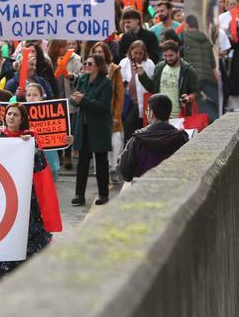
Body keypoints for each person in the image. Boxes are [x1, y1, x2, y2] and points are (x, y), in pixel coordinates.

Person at [0, 103, 52, 285]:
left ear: (22, 119)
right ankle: (0, 270)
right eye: (9, 114)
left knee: (26, 231)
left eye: (15, 115)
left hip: (26, 194)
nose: (11, 117)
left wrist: (32, 149)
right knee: (1, 229)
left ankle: (23, 270)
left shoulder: (29, 137)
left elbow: (40, 165)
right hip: (1, 193)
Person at [71, 54, 113, 206]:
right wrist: (74, 100)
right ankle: (79, 195)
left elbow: (102, 106)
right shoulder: (82, 79)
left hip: (98, 126)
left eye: (90, 64)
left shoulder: (106, 83)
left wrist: (83, 100)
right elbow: (76, 98)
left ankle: (103, 194)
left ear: (98, 66)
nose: (86, 66)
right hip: (83, 125)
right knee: (82, 161)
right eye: (85, 63)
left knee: (101, 160)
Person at [117, 95, 189, 182]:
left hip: (142, 190)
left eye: (147, 111)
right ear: (169, 113)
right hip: (174, 189)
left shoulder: (137, 139)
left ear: (151, 114)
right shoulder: (181, 137)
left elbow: (126, 173)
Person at [137, 41, 199, 119]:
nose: (168, 58)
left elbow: (195, 92)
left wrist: (188, 98)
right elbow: (152, 88)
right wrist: (142, 74)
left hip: (180, 117)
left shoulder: (188, 70)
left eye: (171, 55)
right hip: (160, 116)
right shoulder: (159, 67)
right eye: (165, 56)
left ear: (178, 53)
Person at [89, 42, 124, 182]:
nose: (98, 54)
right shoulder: (89, 68)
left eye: (101, 52)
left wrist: (116, 115)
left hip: (111, 112)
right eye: (96, 52)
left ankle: (113, 167)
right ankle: (100, 170)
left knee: (115, 141)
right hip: (97, 112)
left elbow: (119, 94)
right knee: (98, 143)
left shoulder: (114, 69)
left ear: (106, 54)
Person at [180, 15, 219, 122]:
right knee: (216, 99)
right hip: (207, 76)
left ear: (187, 24)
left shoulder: (185, 37)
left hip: (193, 77)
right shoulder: (206, 39)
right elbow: (212, 63)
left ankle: (211, 119)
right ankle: (218, 117)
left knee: (198, 101)